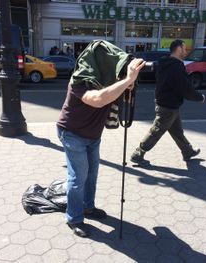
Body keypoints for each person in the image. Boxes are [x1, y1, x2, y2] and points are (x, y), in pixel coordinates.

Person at [57, 40, 145, 238]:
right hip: (72, 133)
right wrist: (125, 80)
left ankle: (88, 207)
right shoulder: (79, 81)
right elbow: (98, 99)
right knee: (78, 178)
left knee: (92, 174)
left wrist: (127, 83)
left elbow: (112, 91)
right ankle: (74, 218)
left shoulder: (106, 80)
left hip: (92, 136)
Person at [130, 39, 205, 167]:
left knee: (177, 131)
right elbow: (185, 88)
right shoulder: (176, 66)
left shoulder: (164, 62)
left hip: (168, 104)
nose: (185, 51)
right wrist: (199, 97)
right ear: (179, 49)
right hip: (168, 106)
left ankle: (187, 152)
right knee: (156, 130)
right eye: (184, 48)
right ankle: (138, 153)